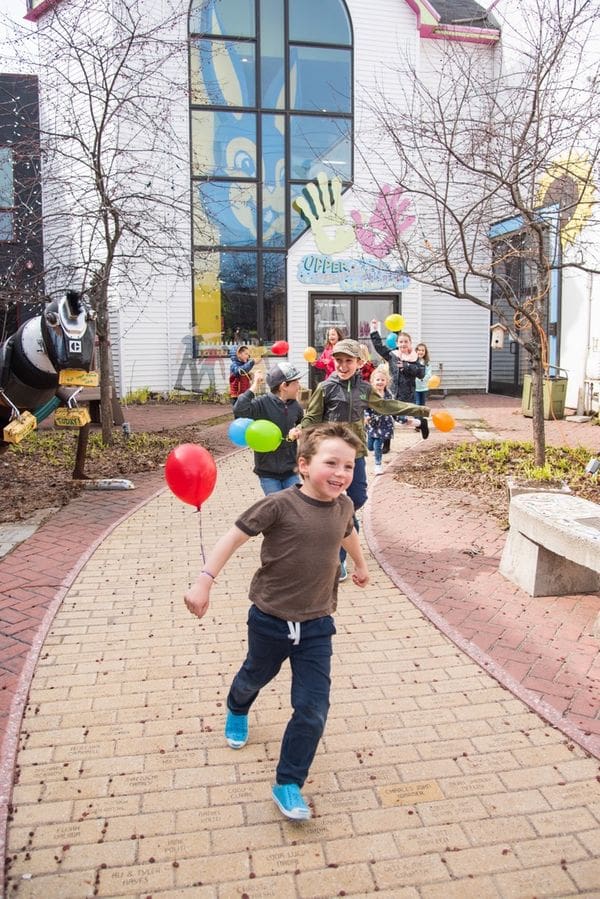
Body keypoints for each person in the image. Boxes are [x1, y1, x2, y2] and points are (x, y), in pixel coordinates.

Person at [184, 423, 370, 821]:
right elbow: (233, 537)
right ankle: (237, 706)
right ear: (303, 465)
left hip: (318, 624)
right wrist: (204, 581)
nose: (341, 474)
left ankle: (289, 782)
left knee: (312, 708)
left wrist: (360, 564)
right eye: (331, 463)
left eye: (348, 466)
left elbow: (347, 533)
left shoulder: (344, 506)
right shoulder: (279, 505)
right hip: (270, 619)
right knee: (255, 674)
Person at [288, 338, 431, 580]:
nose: (343, 366)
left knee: (358, 497)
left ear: (358, 362)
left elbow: (386, 405)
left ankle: (341, 522)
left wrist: (420, 410)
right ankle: (338, 562)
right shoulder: (325, 387)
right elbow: (312, 417)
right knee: (340, 507)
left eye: (348, 361)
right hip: (331, 454)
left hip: (356, 453)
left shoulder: (364, 389)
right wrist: (300, 429)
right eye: (339, 360)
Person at [233, 363, 304, 494]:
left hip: (291, 470)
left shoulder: (295, 406)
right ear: (284, 386)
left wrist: (299, 430)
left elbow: (302, 423)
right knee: (276, 507)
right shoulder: (262, 403)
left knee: (294, 506)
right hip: (268, 472)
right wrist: (254, 386)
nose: (299, 386)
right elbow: (239, 409)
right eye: (296, 383)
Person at [369, 320, 428, 437]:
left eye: (406, 342)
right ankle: (386, 442)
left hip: (406, 394)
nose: (403, 344)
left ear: (410, 343)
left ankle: (421, 423)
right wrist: (374, 330)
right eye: (401, 342)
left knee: (400, 419)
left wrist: (406, 366)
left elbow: (421, 373)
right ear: (397, 343)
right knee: (386, 417)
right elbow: (379, 347)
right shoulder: (392, 355)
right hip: (391, 392)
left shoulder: (415, 358)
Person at [365, 367, 395, 475]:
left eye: (382, 380)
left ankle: (378, 465)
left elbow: (393, 407)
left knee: (378, 446)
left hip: (384, 424)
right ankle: (372, 448)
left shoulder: (389, 395)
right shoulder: (370, 395)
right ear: (372, 381)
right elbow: (366, 407)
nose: (380, 382)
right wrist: (366, 416)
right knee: (370, 446)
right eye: (378, 380)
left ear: (387, 381)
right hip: (372, 425)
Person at [415, 342, 432, 407]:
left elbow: (429, 373)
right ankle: (417, 417)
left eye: (423, 350)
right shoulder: (413, 361)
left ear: (425, 352)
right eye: (419, 350)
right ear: (416, 351)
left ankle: (421, 417)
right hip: (415, 387)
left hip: (424, 387)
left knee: (423, 404)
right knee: (417, 403)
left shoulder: (426, 362)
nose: (421, 352)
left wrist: (423, 378)